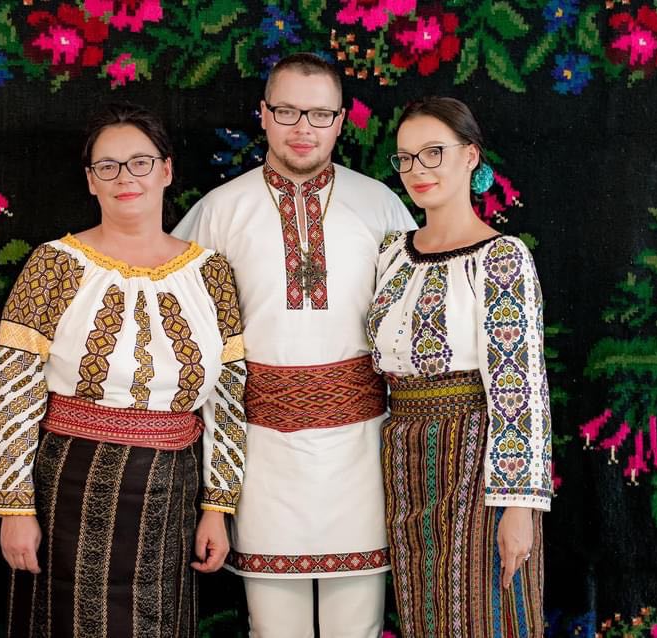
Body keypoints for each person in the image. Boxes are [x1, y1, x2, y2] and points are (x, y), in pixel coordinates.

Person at [173, 53, 416, 637]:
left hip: (362, 452)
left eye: (319, 114)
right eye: (286, 111)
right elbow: (179, 329)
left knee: (357, 628)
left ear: (341, 121)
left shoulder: (380, 206)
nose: (303, 128)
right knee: (273, 629)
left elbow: (417, 320)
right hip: (260, 455)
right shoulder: (219, 212)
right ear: (262, 114)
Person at [0, 102, 247, 636]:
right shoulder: (54, 264)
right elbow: (14, 386)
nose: (125, 178)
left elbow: (228, 397)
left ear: (166, 170)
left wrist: (218, 507)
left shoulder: (210, 272)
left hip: (172, 489)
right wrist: (14, 508)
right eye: (108, 166)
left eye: (140, 162)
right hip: (72, 484)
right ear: (90, 180)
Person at [366, 97, 552, 637]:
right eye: (406, 158)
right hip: (405, 455)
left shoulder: (501, 257)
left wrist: (518, 506)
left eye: (434, 153)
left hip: (476, 455)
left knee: (484, 613)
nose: (417, 170)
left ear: (471, 156)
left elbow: (521, 386)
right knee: (425, 616)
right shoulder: (391, 254)